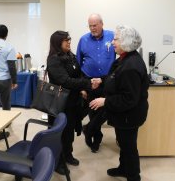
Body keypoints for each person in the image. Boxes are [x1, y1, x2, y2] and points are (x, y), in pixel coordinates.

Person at [90, 25, 149, 181]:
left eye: (116, 39)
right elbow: (115, 78)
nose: (113, 42)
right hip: (124, 115)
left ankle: (134, 176)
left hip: (129, 115)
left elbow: (129, 98)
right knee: (123, 144)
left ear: (126, 42)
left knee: (129, 147)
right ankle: (124, 169)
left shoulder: (131, 66)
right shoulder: (125, 59)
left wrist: (105, 101)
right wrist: (102, 80)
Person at [46, 30, 101, 174]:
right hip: (60, 103)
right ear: (58, 43)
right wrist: (87, 84)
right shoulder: (53, 59)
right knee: (60, 133)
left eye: (69, 39)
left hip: (72, 101)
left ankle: (68, 155)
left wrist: (84, 87)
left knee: (69, 131)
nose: (69, 42)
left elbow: (78, 74)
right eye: (66, 40)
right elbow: (65, 81)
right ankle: (58, 162)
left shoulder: (70, 56)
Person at [76, 13, 116, 153]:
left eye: (95, 25)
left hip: (107, 82)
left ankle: (88, 129)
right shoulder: (83, 40)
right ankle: (95, 140)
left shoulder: (112, 37)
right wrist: (82, 86)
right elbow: (78, 63)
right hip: (90, 82)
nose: (92, 28)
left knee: (106, 111)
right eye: (90, 26)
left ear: (102, 24)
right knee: (94, 112)